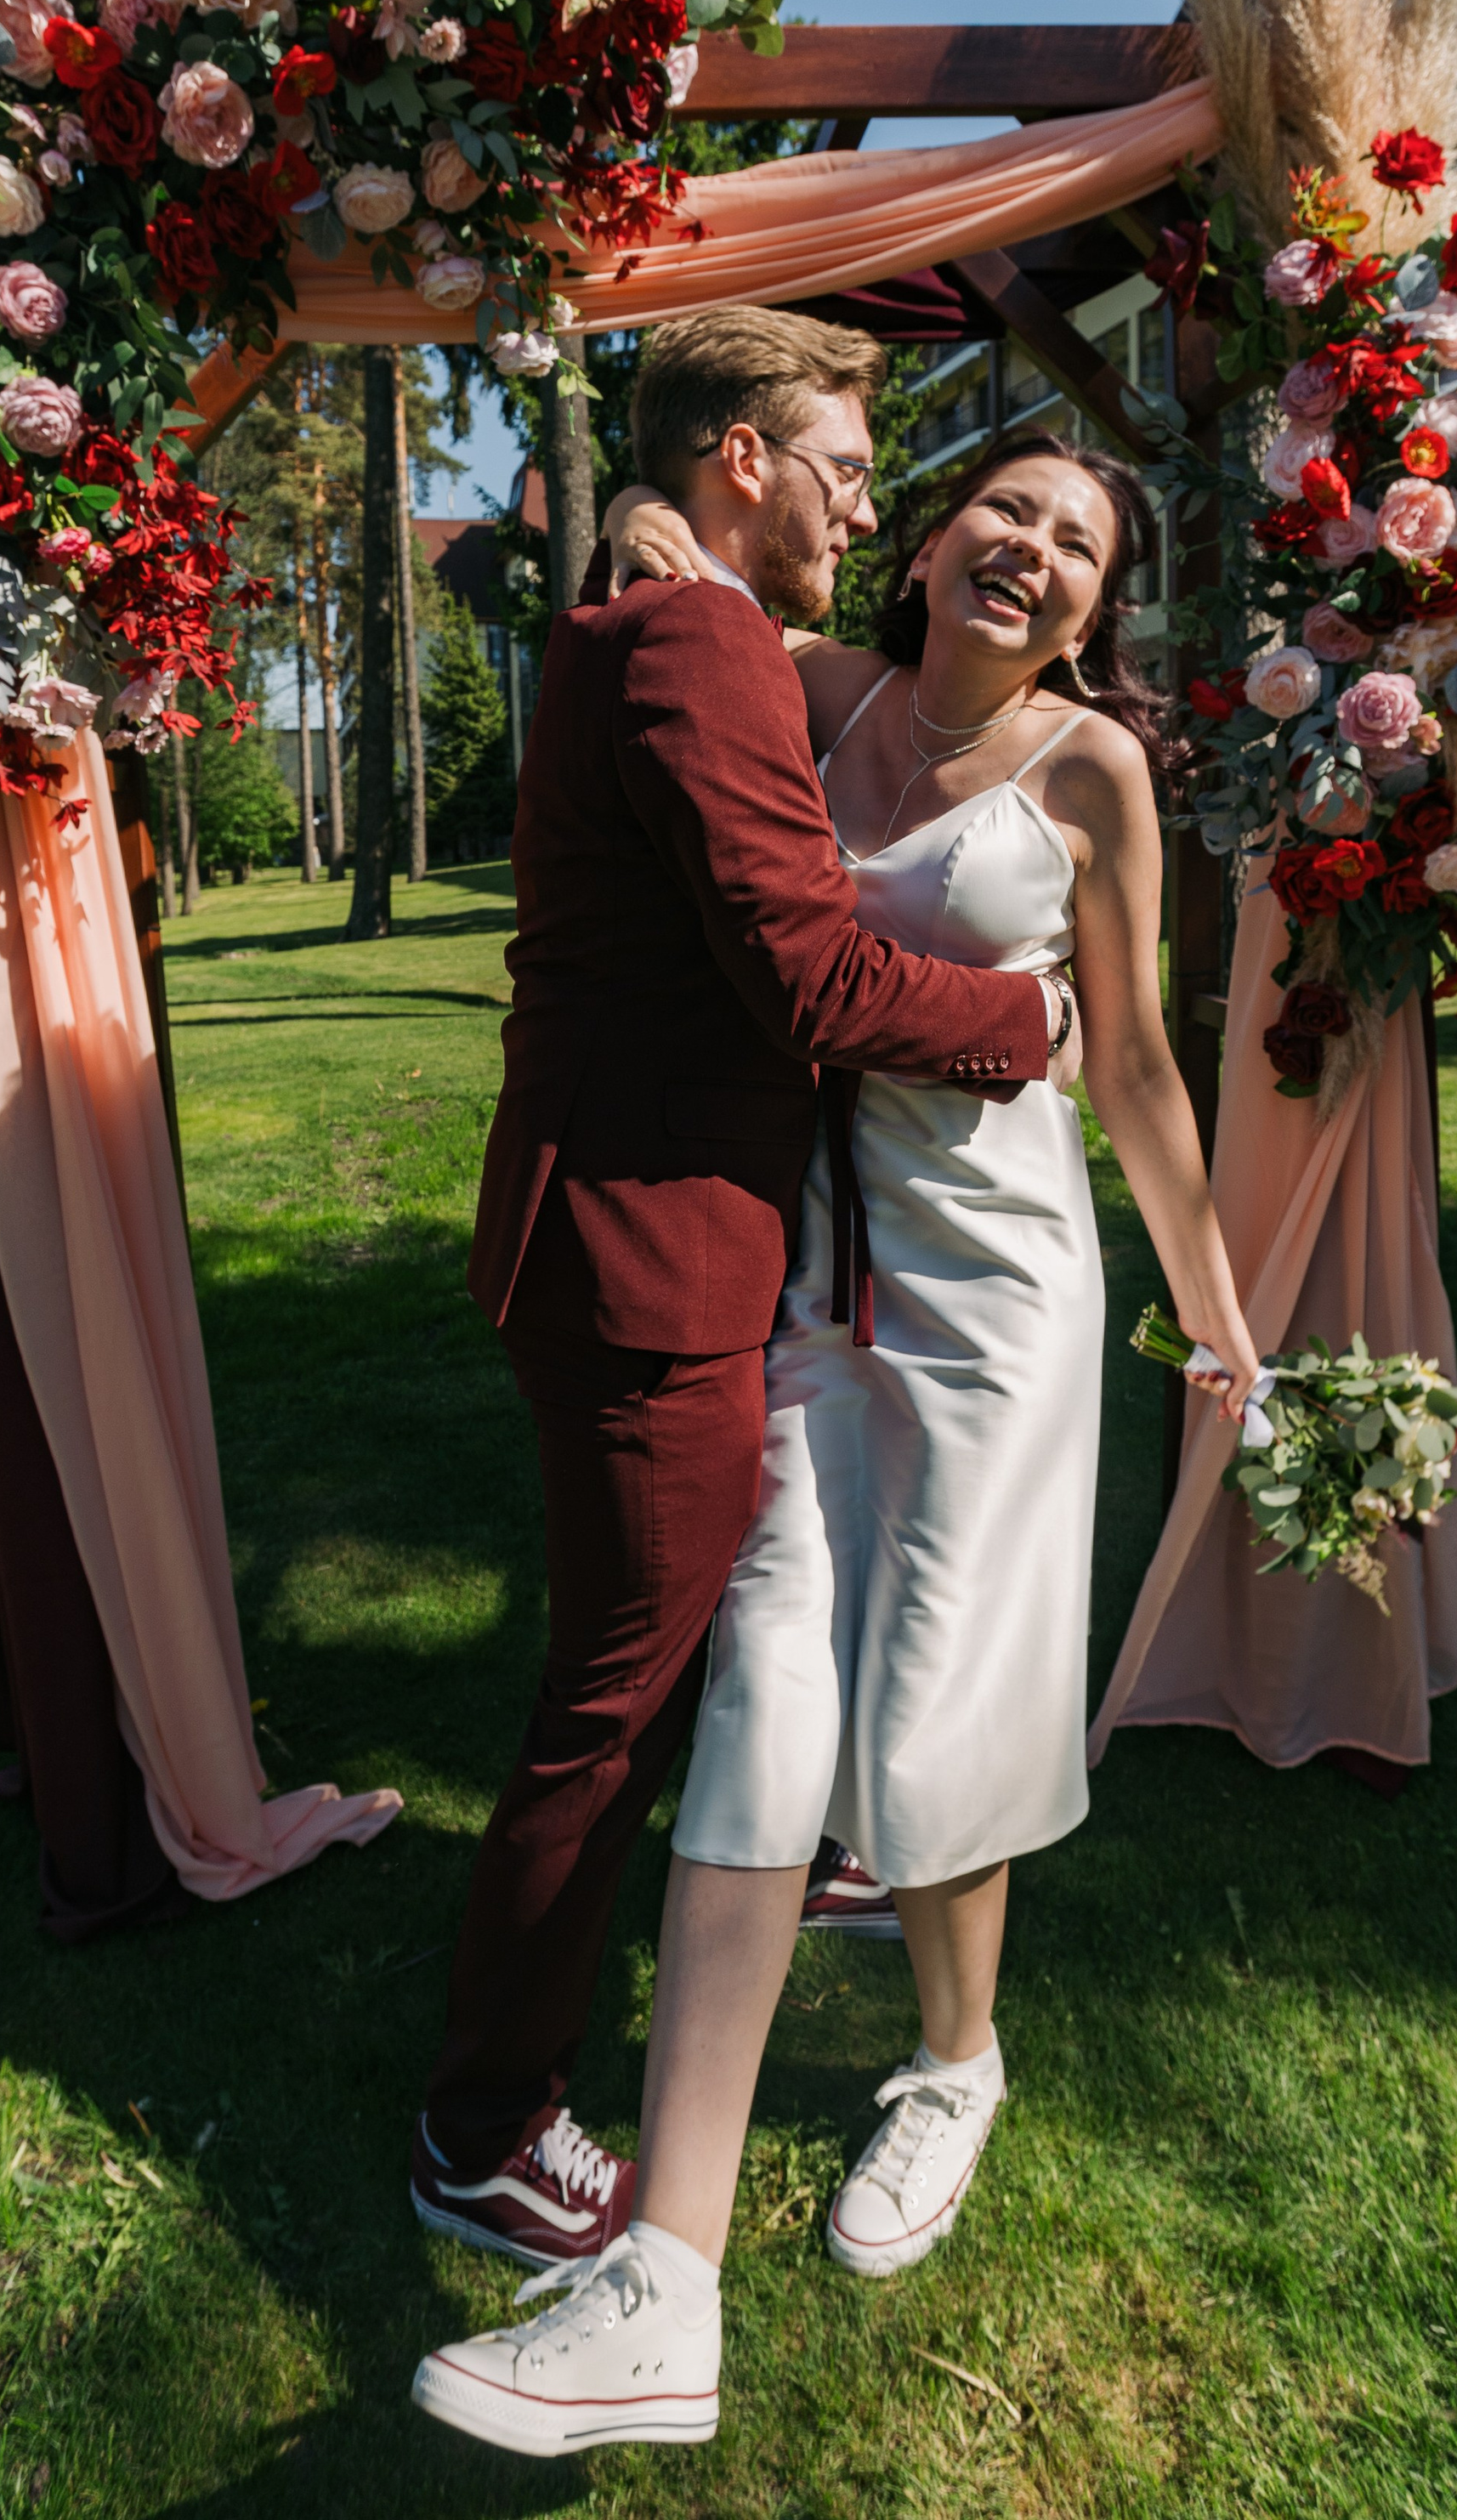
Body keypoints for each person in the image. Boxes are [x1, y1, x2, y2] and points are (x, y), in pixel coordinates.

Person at [413, 425, 1261, 2459]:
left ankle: (953, 2063)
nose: (1033, 554)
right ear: (935, 529)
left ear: (1088, 603)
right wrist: (629, 519)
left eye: (1077, 545)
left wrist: (1213, 1304)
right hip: (793, 1279)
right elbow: (676, 635)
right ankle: (662, 2276)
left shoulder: (1089, 772)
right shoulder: (799, 692)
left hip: (994, 1295)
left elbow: (1127, 1053)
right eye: (1007, 511)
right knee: (764, 1703)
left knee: (944, 1709)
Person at [408, 314, 1084, 2302]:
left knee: (667, 1654)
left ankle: (824, 1851)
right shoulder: (692, 641)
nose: (868, 504)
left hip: (612, 1225)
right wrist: (1024, 1022)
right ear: (735, 461)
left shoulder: (654, 615)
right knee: (610, 1708)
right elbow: (808, 973)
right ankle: (484, 2121)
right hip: (649, 1248)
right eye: (844, 466)